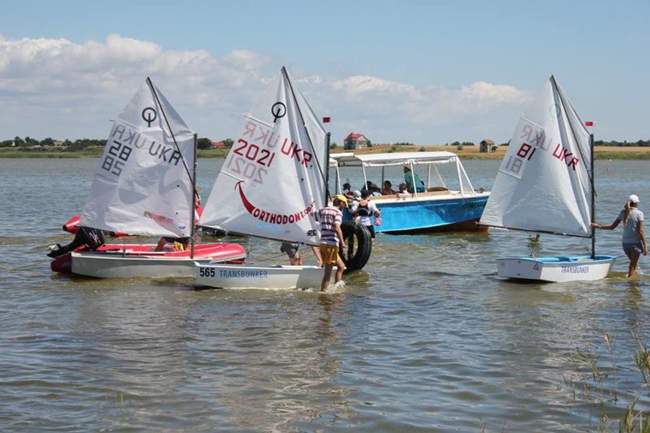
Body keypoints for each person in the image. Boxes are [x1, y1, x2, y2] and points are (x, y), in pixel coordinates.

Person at [592, 194, 647, 278]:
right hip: (635, 244)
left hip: (625, 244)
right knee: (632, 266)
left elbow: (612, 227)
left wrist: (598, 226)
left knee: (634, 265)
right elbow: (641, 231)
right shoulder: (639, 213)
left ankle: (634, 281)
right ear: (636, 203)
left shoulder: (623, 212)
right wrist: (645, 246)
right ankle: (631, 285)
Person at [318, 195, 347, 291]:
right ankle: (323, 294)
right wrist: (342, 242)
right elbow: (337, 226)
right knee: (328, 274)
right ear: (341, 203)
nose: (344, 207)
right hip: (330, 244)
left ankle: (337, 288)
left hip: (323, 243)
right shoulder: (338, 212)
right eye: (345, 204)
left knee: (341, 267)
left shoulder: (322, 210)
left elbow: (313, 216)